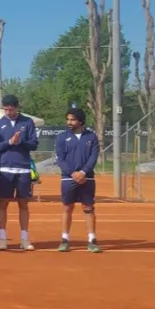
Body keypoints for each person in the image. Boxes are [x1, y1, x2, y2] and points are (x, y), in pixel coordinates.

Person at [0, 95, 38, 251]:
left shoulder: (27, 122)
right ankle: (2, 238)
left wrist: (20, 142)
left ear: (17, 107)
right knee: (3, 203)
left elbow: (34, 144)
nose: (8, 112)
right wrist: (9, 143)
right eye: (6, 109)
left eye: (11, 109)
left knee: (23, 203)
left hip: (23, 168)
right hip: (5, 169)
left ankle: (24, 238)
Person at [55, 107, 102, 253]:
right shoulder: (62, 137)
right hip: (68, 179)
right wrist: (73, 173)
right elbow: (60, 159)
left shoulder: (91, 137)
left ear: (80, 121)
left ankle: (92, 240)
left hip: (87, 178)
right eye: (68, 119)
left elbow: (93, 157)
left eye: (73, 119)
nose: (69, 122)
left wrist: (83, 172)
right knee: (67, 208)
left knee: (88, 208)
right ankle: (65, 239)